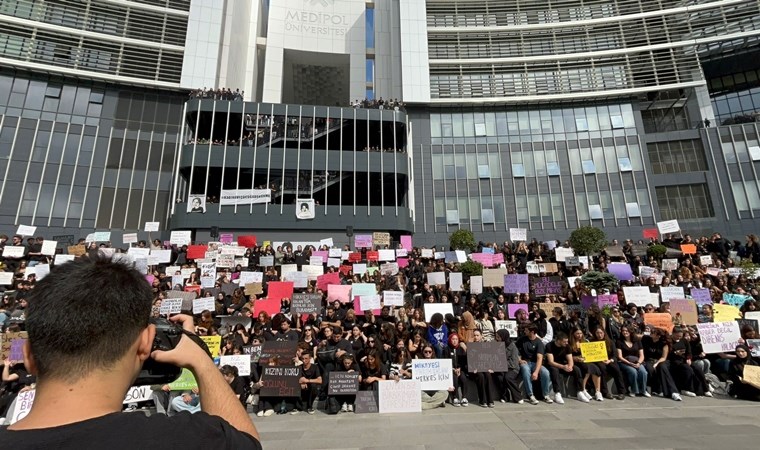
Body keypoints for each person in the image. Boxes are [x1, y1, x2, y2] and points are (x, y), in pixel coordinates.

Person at [0, 256, 261, 449]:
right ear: (146, 342)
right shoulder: (184, 440)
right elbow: (245, 442)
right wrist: (201, 360)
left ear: (29, 356)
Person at [516, 323, 552, 405]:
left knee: (545, 372)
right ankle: (530, 395)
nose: (524, 331)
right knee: (525, 370)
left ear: (532, 332)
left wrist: (536, 372)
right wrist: (519, 359)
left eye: (526, 330)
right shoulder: (522, 340)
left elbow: (540, 358)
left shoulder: (539, 342)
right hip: (525, 361)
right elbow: (515, 350)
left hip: (535, 363)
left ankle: (546, 395)